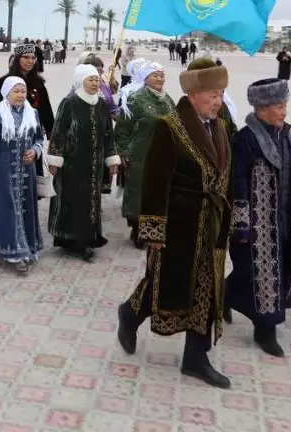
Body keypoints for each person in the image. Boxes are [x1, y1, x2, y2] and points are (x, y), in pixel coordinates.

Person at [117, 57, 233, 389]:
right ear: (194, 93)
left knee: (207, 288)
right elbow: (155, 181)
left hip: (211, 224)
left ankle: (195, 358)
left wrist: (232, 218)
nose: (218, 101)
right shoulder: (169, 126)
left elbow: (226, 177)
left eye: (222, 94)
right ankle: (130, 313)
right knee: (165, 283)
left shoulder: (221, 127)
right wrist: (153, 228)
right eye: (213, 94)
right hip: (180, 224)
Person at [223, 78, 291, 358]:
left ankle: (224, 295)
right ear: (261, 108)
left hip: (285, 218)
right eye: (278, 107)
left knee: (279, 270)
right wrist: (242, 226)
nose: (283, 112)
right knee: (259, 274)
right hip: (259, 223)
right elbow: (238, 184)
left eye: (284, 105)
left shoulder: (287, 136)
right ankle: (265, 330)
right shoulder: (246, 140)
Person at [45, 64, 120, 261]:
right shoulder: (69, 103)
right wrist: (55, 158)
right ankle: (69, 238)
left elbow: (108, 134)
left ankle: (87, 239)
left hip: (95, 164)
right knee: (72, 200)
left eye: (96, 80)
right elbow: (58, 132)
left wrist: (111, 157)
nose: (95, 83)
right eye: (90, 80)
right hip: (72, 163)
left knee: (92, 200)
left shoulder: (102, 104)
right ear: (80, 81)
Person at [0, 77, 45, 274]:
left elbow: (39, 138)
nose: (20, 95)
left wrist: (35, 151)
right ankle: (14, 252)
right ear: (6, 93)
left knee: (25, 208)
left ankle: (27, 246)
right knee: (7, 210)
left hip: (26, 172)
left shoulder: (32, 113)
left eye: (23, 91)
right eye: (16, 91)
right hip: (3, 172)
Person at [115, 61, 174, 248]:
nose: (160, 79)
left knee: (158, 193)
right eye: (155, 75)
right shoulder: (135, 99)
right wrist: (123, 150)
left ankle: (154, 231)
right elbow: (123, 128)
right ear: (145, 77)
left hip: (163, 156)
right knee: (139, 193)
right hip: (140, 154)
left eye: (162, 75)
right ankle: (137, 231)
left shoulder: (168, 100)